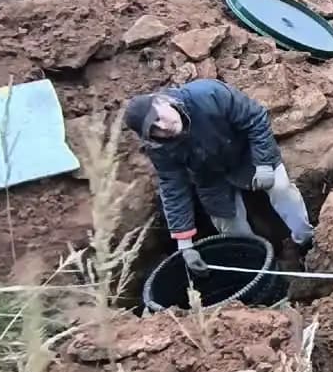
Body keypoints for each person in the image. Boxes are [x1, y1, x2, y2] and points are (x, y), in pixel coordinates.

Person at [123, 80, 315, 276]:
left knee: (281, 189)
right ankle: (263, 268)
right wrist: (184, 244)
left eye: (158, 117)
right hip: (210, 179)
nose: (164, 127)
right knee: (232, 230)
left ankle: (306, 242)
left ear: (162, 101)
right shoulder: (159, 147)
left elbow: (255, 118)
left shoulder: (208, 95)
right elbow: (173, 187)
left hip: (247, 155)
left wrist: (264, 164)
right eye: (154, 129)